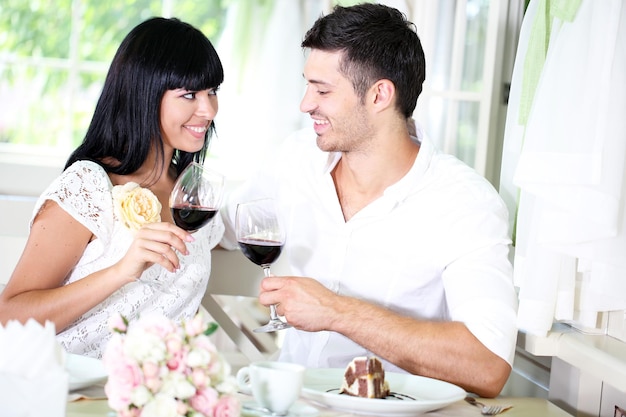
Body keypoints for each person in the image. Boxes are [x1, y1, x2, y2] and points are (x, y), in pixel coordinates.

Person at [220, 3, 518, 398]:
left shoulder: (466, 203)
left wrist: (336, 311)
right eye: (308, 85)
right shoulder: (295, 159)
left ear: (379, 95)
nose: (305, 104)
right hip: (293, 404)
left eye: (322, 90)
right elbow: (220, 226)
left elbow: (487, 365)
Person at [0, 17, 225, 358]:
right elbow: (10, 318)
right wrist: (122, 271)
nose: (208, 109)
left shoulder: (194, 197)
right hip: (70, 397)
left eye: (213, 91)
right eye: (190, 94)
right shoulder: (88, 187)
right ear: (144, 94)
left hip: (151, 401)